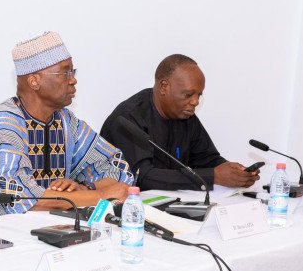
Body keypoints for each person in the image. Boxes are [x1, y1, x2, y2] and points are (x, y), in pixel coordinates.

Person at [0, 31, 133, 222]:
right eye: (65, 72)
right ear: (34, 81)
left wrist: (84, 188)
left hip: (40, 227)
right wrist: (99, 195)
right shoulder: (3, 124)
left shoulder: (65, 121)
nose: (73, 80)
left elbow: (118, 170)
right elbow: (18, 199)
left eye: (73, 72)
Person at [100, 54, 260, 191]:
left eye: (199, 95)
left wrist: (236, 173)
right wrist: (213, 176)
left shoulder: (185, 115)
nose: (195, 102)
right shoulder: (128, 118)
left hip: (174, 203)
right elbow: (142, 177)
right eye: (188, 94)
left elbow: (207, 159)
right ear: (164, 87)